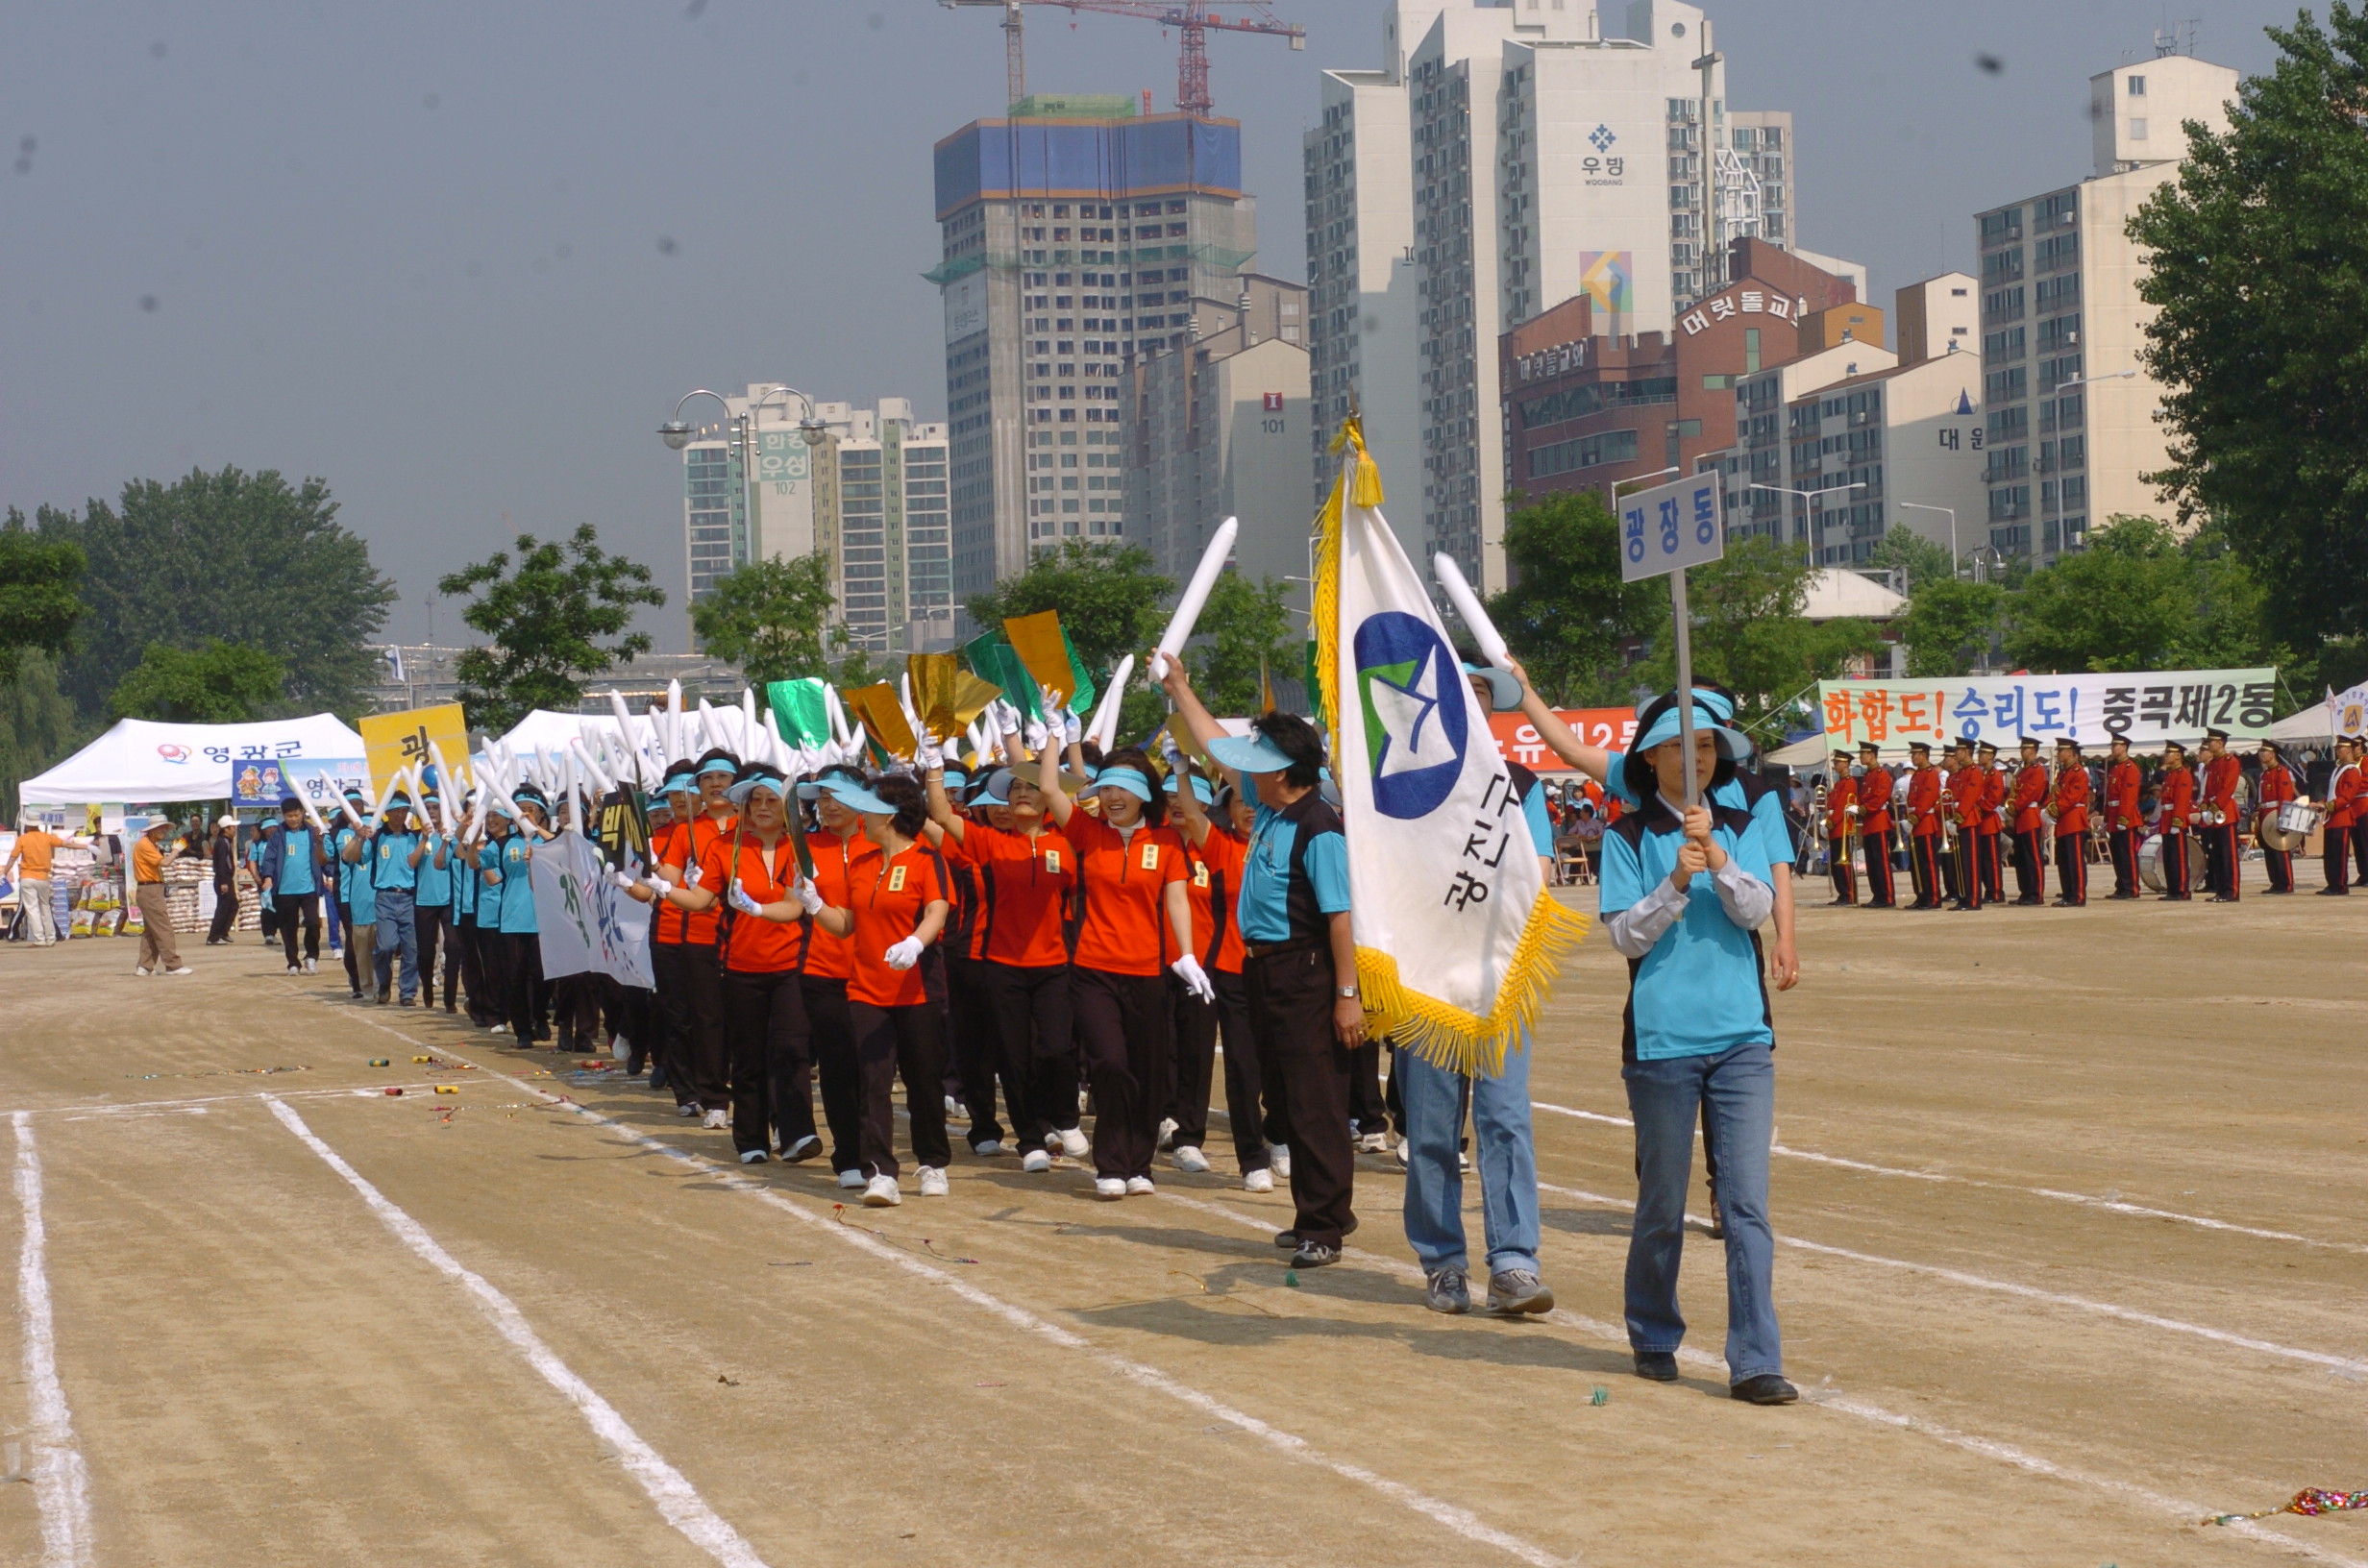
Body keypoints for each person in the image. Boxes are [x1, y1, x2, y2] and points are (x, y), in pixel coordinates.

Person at [1597, 694, 1794, 1405]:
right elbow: (1624, 935)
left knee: (1746, 1205)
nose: (1698, 757)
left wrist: (1717, 859)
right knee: (1660, 1202)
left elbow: (1756, 912)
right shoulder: (1626, 835)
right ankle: (1652, 1330)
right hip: (1661, 1042)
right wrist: (1676, 881)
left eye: (1708, 746)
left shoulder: (1738, 824)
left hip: (1742, 1035)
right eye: (1682, 746)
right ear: (1651, 758)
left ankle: (1756, 1358)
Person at [1157, 660, 1360, 1271]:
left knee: (1313, 1098)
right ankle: (1316, 1212)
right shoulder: (1270, 809)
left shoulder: (1318, 824)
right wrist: (1180, 688)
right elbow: (1219, 749)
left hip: (1306, 969)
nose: (1246, 768)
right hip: (1264, 969)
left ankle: (1325, 1224)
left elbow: (1341, 917)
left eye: (1260, 758)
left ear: (1284, 768)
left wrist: (1346, 994)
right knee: (1286, 1097)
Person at [1036, 727, 1202, 1201]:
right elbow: (1050, 788)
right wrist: (1052, 733)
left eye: (1123, 788)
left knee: (1147, 1073)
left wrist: (1186, 955)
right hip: (1093, 970)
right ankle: (1109, 1162)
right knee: (1109, 1063)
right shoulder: (1087, 834)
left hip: (1148, 973)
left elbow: (1177, 902)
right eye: (1106, 787)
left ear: (1144, 793)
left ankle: (1139, 1164)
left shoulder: (1167, 842)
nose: (1112, 797)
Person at [773, 773, 953, 1207]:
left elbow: (937, 909)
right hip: (867, 990)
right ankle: (880, 1173)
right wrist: (815, 906)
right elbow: (846, 925)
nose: (860, 814)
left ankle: (931, 1162)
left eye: (866, 806)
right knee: (873, 1082)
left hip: (917, 989)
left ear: (888, 815)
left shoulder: (928, 860)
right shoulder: (864, 863)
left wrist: (915, 942)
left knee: (923, 1080)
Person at [640, 763, 816, 1164]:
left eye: (773, 800)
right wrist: (664, 888)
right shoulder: (728, 849)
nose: (764, 808)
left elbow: (792, 908)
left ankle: (796, 1133)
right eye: (757, 801)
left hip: (791, 964)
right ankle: (751, 1139)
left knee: (791, 1050)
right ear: (747, 808)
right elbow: (701, 900)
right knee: (749, 1055)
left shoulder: (801, 848)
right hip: (740, 966)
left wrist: (758, 909)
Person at [1163, 756, 1281, 1190]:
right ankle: (1253, 1160)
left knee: (1281, 1066)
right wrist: (1180, 769)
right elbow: (1192, 813)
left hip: (1282, 972)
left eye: (1256, 802)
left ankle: (1280, 1136)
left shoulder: (1285, 847)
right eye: (1239, 803)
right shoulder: (1220, 847)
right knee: (1242, 1070)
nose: (1249, 809)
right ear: (1226, 811)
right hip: (1229, 973)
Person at [368, 793, 429, 1005]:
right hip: (385, 897)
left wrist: (423, 841)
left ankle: (408, 993)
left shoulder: (413, 836)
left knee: (411, 948)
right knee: (386, 946)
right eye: (395, 811)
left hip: (409, 897)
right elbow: (358, 858)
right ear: (387, 813)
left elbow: (412, 863)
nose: (400, 815)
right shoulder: (377, 837)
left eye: (404, 811)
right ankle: (384, 983)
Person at [256, 797, 327, 971]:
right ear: (283, 815)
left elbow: (323, 857)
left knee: (312, 923)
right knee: (288, 928)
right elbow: (269, 859)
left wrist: (327, 876)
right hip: (285, 889)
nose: (293, 819)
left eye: (296, 815)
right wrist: (268, 877)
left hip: (308, 887)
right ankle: (293, 962)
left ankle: (311, 955)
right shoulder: (278, 835)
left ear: (302, 813)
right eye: (289, 816)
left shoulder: (312, 832)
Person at [5, 817, 82, 947]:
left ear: (27, 826)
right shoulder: (46, 837)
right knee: (45, 907)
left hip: (27, 877)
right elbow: (67, 844)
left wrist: (4, 873)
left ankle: (39, 939)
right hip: (43, 877)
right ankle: (51, 938)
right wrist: (86, 846)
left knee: (32, 910)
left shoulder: (23, 839)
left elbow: (13, 858)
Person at [131, 817, 193, 976]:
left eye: (165, 828)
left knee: (152, 930)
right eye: (161, 828)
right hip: (150, 889)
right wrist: (176, 851)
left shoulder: (150, 844)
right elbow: (164, 863)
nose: (164, 831)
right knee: (163, 928)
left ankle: (144, 966)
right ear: (152, 830)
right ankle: (173, 965)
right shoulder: (145, 845)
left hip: (150, 889)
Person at [412, 797, 458, 1010]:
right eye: (427, 808)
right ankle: (428, 993)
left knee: (453, 946)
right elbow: (411, 862)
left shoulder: (452, 834)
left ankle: (450, 999)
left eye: (435, 807)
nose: (431, 811)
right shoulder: (416, 836)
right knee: (425, 951)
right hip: (425, 900)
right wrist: (423, 838)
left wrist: (449, 837)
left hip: (449, 900)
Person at [2199, 727, 2243, 902]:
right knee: (2217, 854)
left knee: (2228, 854)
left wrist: (2214, 807)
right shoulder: (2213, 764)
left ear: (2221, 743)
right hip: (2213, 812)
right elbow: (2208, 789)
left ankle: (2231, 891)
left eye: (2212, 741)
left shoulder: (2231, 762)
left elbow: (2228, 788)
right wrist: (2204, 806)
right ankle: (2221, 889)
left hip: (2225, 812)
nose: (2209, 744)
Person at [2006, 737, 2050, 905]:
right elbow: (2015, 790)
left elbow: (2030, 793)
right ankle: (2025, 891)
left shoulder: (2037, 770)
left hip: (2029, 816)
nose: (2022, 751)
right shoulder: (2022, 771)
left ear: (2033, 751)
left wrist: (2014, 806)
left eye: (2025, 748)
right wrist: (2010, 804)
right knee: (2021, 858)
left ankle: (2036, 893)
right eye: (2022, 748)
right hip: (2020, 818)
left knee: (2032, 858)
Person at [2047, 738, 2090, 906]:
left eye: (2061, 751)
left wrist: (2054, 809)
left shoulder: (2079, 772)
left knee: (2075, 860)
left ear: (2072, 753)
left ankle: (2078, 895)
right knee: (2064, 860)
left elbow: (2072, 797)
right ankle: (2068, 893)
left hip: (2073, 819)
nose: (2058, 754)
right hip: (2064, 820)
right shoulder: (2063, 773)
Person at [1854, 742, 1896, 908]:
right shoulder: (1868, 775)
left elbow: (1880, 797)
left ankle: (1887, 896)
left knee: (1881, 861)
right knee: (1872, 861)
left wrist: (1864, 808)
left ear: (1872, 755)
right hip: (1869, 822)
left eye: (1863, 753)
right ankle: (1878, 894)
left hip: (1878, 821)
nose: (1861, 756)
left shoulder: (1882, 774)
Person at [1945, 738, 1985, 912]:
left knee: (1970, 862)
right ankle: (1963, 896)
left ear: (1967, 751)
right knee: (1960, 862)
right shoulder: (1961, 773)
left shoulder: (1974, 771)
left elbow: (1970, 796)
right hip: (1957, 819)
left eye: (1959, 751)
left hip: (1968, 820)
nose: (1956, 754)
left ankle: (1973, 899)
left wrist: (1959, 816)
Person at [2319, 736, 2362, 895]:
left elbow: (2347, 796)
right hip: (2333, 816)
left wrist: (2327, 805)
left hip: (2342, 816)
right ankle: (2332, 883)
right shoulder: (2339, 769)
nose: (2337, 751)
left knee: (2339, 854)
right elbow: (2332, 792)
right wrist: (2321, 803)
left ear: (2349, 750)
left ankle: (2340, 885)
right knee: (2330, 853)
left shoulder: (2352, 771)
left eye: (2340, 749)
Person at [1905, 742, 1944, 910]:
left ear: (1923, 755)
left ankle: (1933, 897)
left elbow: (1928, 798)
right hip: (1916, 821)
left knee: (1928, 863)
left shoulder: (1930, 773)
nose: (1913, 757)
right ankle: (1921, 895)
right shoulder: (1918, 774)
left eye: (1915, 754)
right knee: (1917, 864)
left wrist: (1914, 817)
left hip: (1925, 821)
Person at [2156, 740, 2196, 900]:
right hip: (2166, 818)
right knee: (2169, 857)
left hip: (2175, 819)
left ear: (2178, 756)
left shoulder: (2183, 775)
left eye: (2169, 753)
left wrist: (2177, 821)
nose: (2166, 756)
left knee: (2178, 857)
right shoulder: (2170, 775)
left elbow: (2181, 800)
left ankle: (2182, 890)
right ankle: (2172, 889)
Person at [2255, 740, 2297, 894]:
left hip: (2276, 812)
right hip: (2265, 813)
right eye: (2260, 751)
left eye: (2264, 751)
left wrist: (2283, 817)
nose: (2261, 754)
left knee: (2280, 848)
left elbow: (2285, 797)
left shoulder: (2281, 771)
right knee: (2269, 849)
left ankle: (2286, 883)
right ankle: (2276, 881)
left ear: (2272, 754)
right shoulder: (2265, 773)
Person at [2104, 737, 2145, 898]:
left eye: (2116, 745)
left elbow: (2129, 796)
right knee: (2118, 854)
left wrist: (2123, 817)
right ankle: (2121, 885)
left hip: (2125, 817)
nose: (2113, 748)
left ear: (2125, 747)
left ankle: (2131, 887)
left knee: (2127, 853)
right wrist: (2108, 817)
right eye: (2113, 745)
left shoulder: (2130, 768)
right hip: (2115, 815)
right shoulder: (2116, 768)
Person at [1975, 740, 2008, 903]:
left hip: (1988, 820)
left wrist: (1978, 807)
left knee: (1992, 861)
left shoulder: (1995, 776)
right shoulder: (1982, 774)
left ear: (1990, 756)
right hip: (1980, 821)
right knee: (1982, 860)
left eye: (1982, 754)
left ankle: (1995, 892)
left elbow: (1992, 799)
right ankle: (1988, 890)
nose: (1979, 756)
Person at [1823, 750, 1857, 905]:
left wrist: (1833, 820)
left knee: (1842, 863)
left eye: (1838, 762)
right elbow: (1832, 803)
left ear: (1846, 764)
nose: (1836, 765)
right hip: (1835, 826)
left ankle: (1848, 893)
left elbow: (1843, 804)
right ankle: (1842, 892)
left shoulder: (1849, 782)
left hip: (1842, 825)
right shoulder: (1839, 783)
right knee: (1836, 862)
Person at [206, 816, 242, 944]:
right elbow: (221, 863)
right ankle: (214, 937)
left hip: (226, 879)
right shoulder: (222, 842)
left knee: (232, 906)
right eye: (233, 827)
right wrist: (224, 882)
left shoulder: (226, 841)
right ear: (226, 829)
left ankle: (222, 932)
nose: (235, 830)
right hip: (224, 879)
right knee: (223, 908)